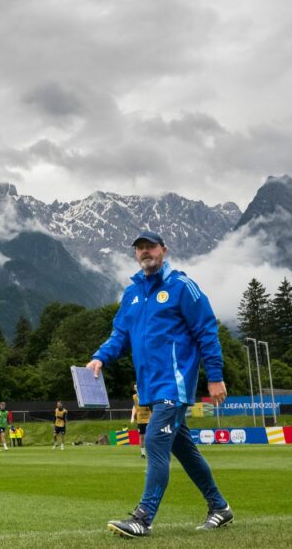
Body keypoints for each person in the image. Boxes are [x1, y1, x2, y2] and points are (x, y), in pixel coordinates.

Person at [86, 230, 233, 538]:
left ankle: (143, 517)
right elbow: (121, 335)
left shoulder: (183, 286)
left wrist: (216, 376)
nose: (144, 252)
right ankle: (220, 507)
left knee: (153, 441)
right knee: (186, 451)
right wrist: (100, 357)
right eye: (139, 248)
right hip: (150, 388)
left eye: (150, 246)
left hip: (175, 384)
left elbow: (207, 331)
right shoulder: (132, 294)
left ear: (164, 250)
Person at [131, 385, 152, 459]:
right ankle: (143, 454)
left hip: (149, 419)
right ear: (134, 389)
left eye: (138, 387)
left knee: (150, 436)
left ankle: (152, 453)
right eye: (135, 387)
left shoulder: (147, 395)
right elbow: (134, 407)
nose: (137, 388)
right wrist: (132, 417)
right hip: (140, 420)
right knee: (142, 437)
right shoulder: (135, 397)